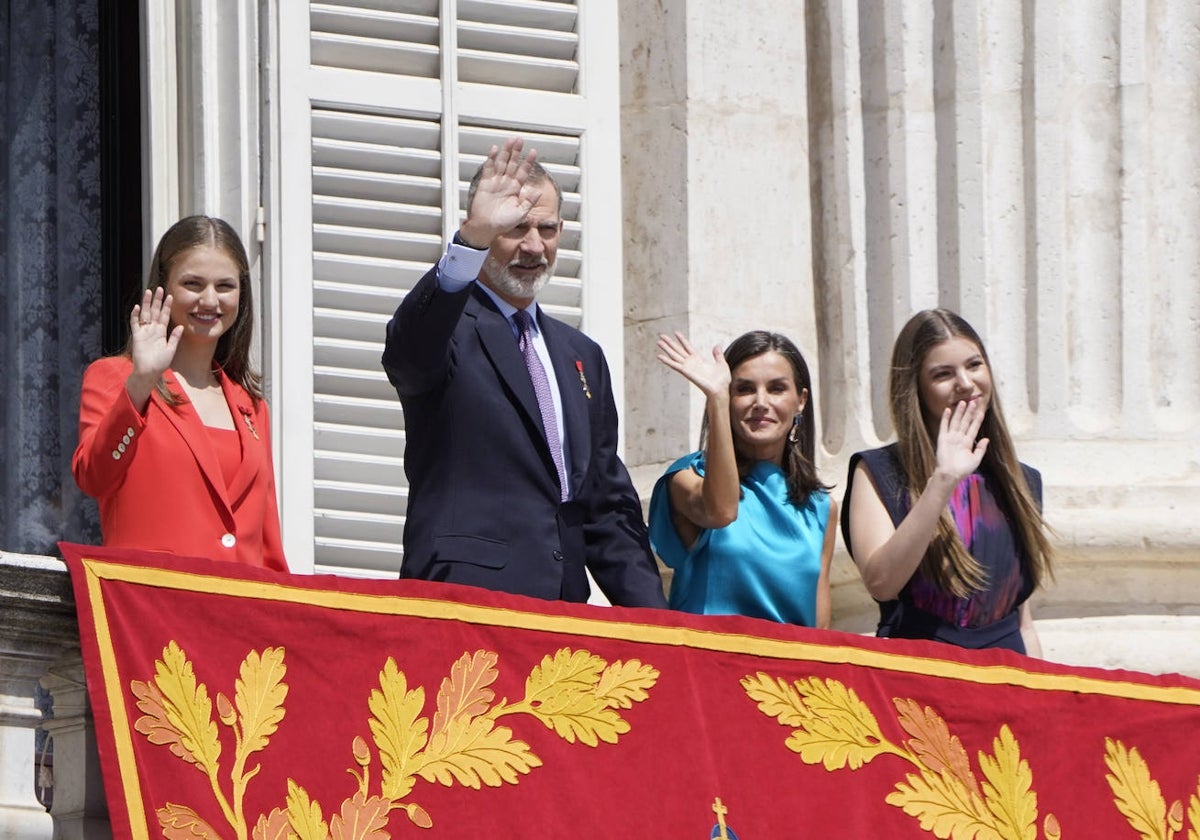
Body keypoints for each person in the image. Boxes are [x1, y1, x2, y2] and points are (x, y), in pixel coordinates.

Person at [381, 138, 666, 607]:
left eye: (548, 229)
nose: (534, 246)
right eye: (515, 229)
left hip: (560, 616)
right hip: (463, 606)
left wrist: (658, 629)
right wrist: (468, 245)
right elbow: (408, 357)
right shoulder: (449, 327)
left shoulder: (581, 356)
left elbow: (606, 507)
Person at [73, 216, 287, 571]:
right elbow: (93, 476)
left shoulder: (251, 407)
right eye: (193, 283)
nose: (209, 300)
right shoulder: (116, 377)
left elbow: (268, 548)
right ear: (163, 288)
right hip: (153, 610)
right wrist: (141, 383)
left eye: (225, 286)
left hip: (236, 615)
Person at [841, 309, 1053, 654]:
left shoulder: (1021, 480)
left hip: (1007, 675)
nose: (966, 383)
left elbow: (1022, 621)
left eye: (974, 365)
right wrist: (942, 482)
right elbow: (881, 583)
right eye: (943, 374)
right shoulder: (881, 470)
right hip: (924, 677)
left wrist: (1040, 692)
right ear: (916, 389)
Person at [648, 331, 836, 627]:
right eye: (745, 389)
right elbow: (721, 511)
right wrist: (717, 399)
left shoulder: (821, 507)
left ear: (801, 401)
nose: (761, 402)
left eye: (776, 389)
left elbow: (821, 629)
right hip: (709, 665)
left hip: (788, 670)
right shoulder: (687, 477)